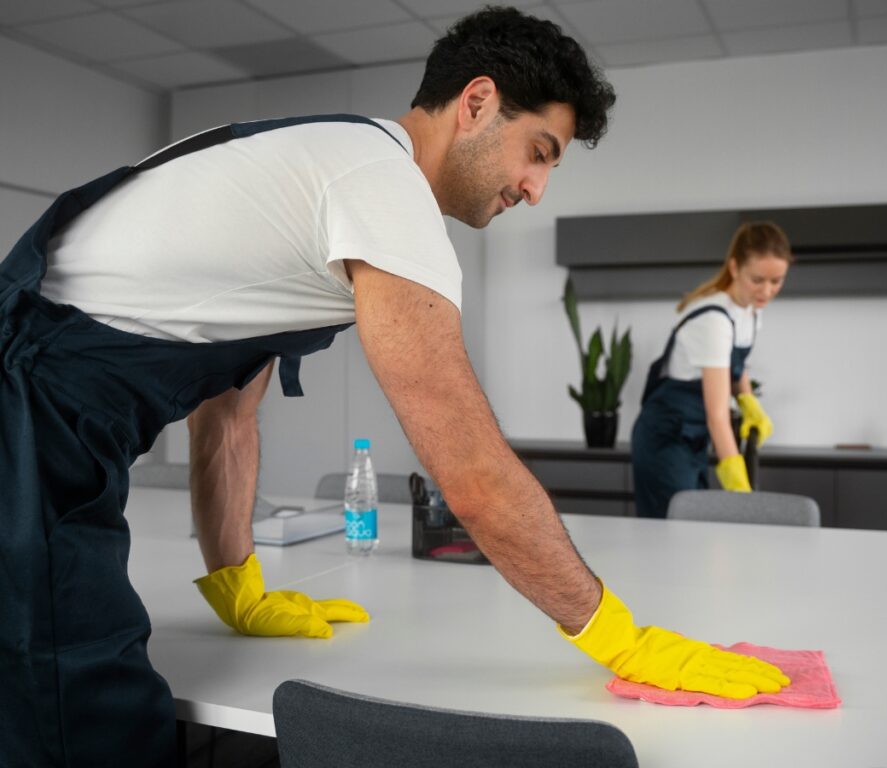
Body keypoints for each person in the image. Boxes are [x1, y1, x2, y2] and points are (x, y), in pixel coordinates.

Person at [0, 8, 788, 767]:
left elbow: (228, 420)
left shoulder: (330, 167)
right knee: (81, 707)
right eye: (539, 151)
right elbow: (471, 476)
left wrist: (238, 586)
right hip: (25, 405)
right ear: (477, 103)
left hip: (43, 405)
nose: (537, 187)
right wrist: (618, 636)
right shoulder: (382, 187)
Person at [632, 222, 792, 518]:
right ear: (735, 268)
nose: (767, 291)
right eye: (758, 280)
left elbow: (735, 366)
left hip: (693, 437)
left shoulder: (749, 312)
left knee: (693, 530)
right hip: (665, 439)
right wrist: (739, 485)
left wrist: (748, 402)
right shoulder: (714, 319)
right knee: (670, 533)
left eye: (776, 281)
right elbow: (717, 415)